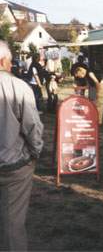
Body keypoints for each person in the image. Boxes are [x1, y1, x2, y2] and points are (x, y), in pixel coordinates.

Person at [0, 40, 44, 251]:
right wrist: (36, 152)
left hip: (12, 164)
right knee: (12, 225)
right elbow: (32, 126)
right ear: (3, 61)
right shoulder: (18, 86)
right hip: (14, 165)